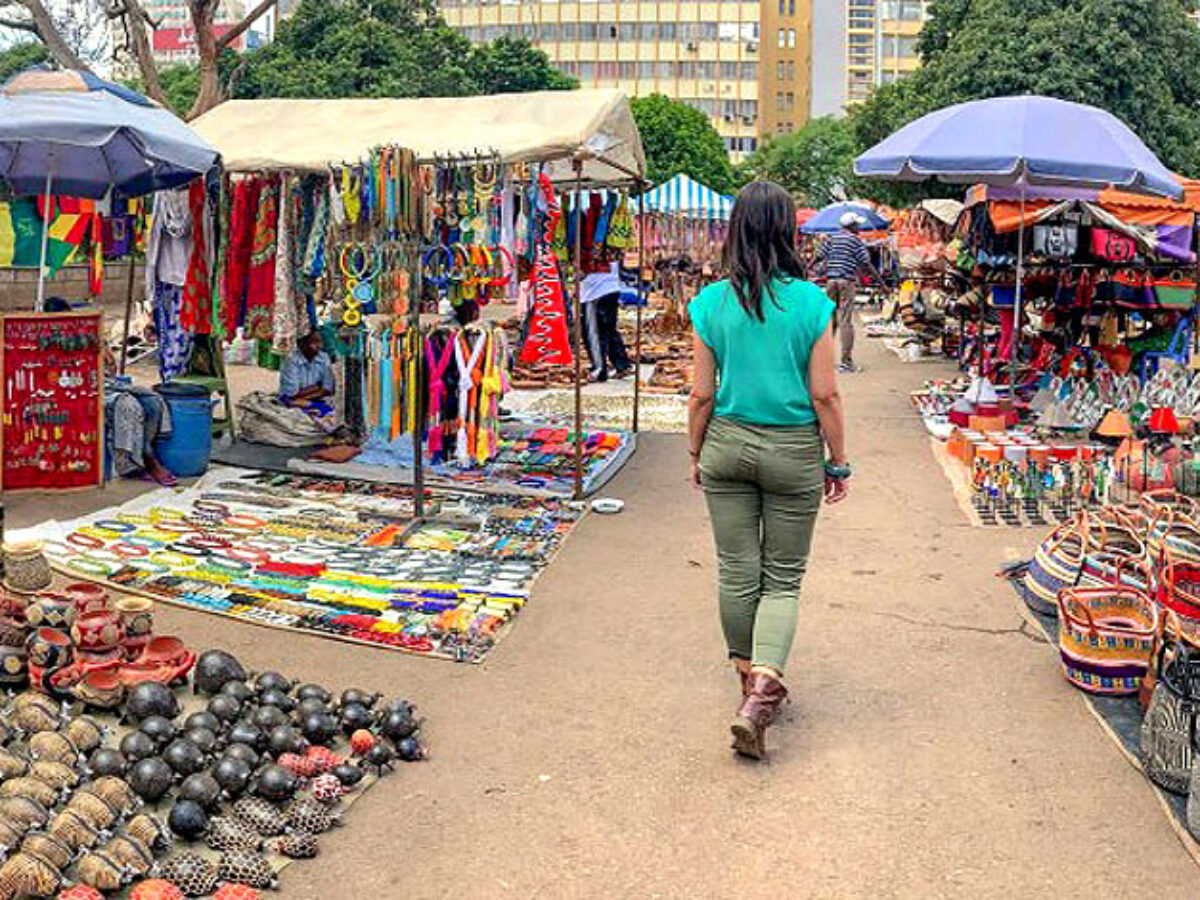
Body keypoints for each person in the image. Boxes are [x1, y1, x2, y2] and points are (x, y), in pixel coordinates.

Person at [687, 180, 850, 761]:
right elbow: (825, 394)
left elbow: (701, 394)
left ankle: (745, 684)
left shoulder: (709, 303)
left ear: (735, 230)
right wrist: (839, 461)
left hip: (726, 444)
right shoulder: (811, 303)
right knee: (782, 577)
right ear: (788, 232)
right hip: (793, 452)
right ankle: (761, 692)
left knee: (737, 569)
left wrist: (695, 451)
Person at [816, 211, 882, 374]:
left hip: (831, 282)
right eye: (857, 224)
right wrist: (881, 284)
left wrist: (805, 272)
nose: (859, 227)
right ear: (851, 226)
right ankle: (846, 363)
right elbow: (866, 264)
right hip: (846, 282)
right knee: (846, 321)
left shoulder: (831, 239)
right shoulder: (855, 241)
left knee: (830, 322)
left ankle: (823, 361)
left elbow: (818, 257)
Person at [581, 251, 634, 382]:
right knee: (609, 330)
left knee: (593, 333)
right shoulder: (611, 242)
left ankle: (598, 369)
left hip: (594, 292)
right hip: (611, 288)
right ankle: (622, 364)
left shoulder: (590, 240)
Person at [279, 331, 336, 416]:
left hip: (310, 400)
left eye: (320, 342)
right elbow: (291, 393)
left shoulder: (324, 357)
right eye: (314, 342)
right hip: (292, 400)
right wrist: (317, 387)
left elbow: (328, 389)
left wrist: (303, 398)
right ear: (302, 344)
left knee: (330, 408)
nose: (319, 346)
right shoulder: (291, 360)